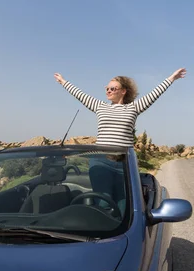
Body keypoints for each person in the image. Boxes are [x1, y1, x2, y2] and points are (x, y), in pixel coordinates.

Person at [53, 68, 186, 213]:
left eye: (112, 88)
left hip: (124, 163)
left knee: (124, 204)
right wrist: (63, 82)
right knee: (103, 203)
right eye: (107, 88)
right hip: (100, 162)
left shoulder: (133, 107)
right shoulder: (100, 106)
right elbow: (80, 95)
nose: (108, 91)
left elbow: (154, 94)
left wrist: (171, 78)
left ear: (123, 91)